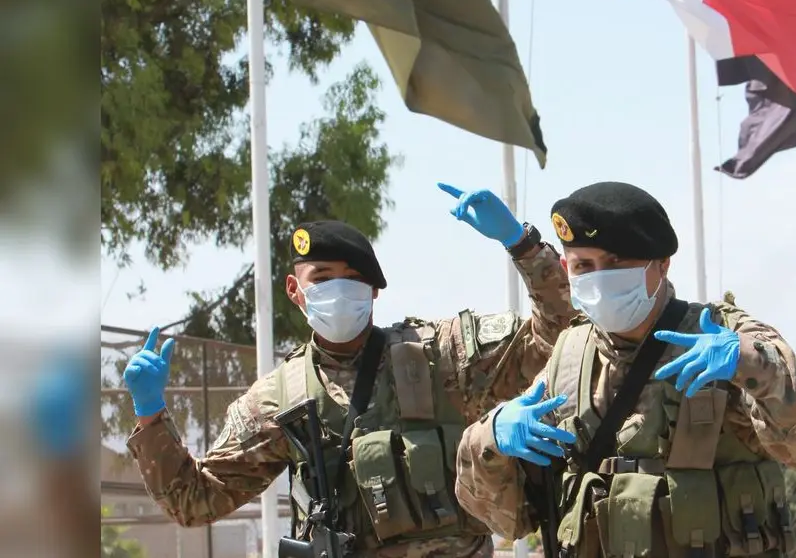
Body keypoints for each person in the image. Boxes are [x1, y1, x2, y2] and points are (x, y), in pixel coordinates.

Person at [122, 183, 575, 557]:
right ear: (295, 290)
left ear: (374, 291)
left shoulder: (440, 354)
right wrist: (150, 413)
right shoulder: (277, 400)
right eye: (321, 279)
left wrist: (522, 244)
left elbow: (556, 334)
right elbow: (195, 500)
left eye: (353, 280)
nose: (338, 291)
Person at [454, 181, 796, 557]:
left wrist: (753, 364)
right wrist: (490, 440)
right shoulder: (568, 360)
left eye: (616, 263)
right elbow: (506, 519)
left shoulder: (721, 335)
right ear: (565, 268)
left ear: (661, 264)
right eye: (583, 266)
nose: (599, 279)